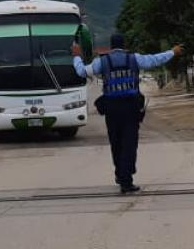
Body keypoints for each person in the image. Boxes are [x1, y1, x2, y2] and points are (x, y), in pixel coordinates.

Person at [72, 34, 182, 194]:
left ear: (110, 46)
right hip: (131, 108)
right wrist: (172, 51)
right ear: (124, 45)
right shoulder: (134, 58)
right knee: (129, 143)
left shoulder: (102, 61)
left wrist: (76, 56)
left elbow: (82, 71)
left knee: (116, 143)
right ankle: (126, 179)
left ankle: (120, 174)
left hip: (112, 109)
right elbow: (155, 60)